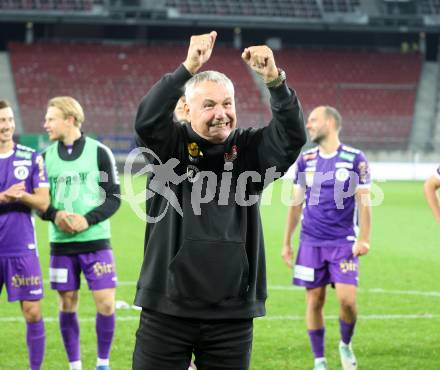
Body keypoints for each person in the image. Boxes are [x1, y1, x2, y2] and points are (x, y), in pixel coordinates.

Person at [132, 30, 306, 370]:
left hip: (231, 316)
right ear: (185, 108)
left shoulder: (250, 152)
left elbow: (291, 138)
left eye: (228, 104)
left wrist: (274, 80)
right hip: (167, 309)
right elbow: (148, 120)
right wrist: (187, 68)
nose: (221, 113)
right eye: (209, 105)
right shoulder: (170, 148)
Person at [281, 106, 372, 370]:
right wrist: (287, 241)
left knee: (347, 302)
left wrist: (364, 238)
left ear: (330, 123)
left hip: (343, 243)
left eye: (313, 120)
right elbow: (295, 204)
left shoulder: (356, 158)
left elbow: (365, 203)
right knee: (314, 300)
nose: (308, 125)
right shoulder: (305, 160)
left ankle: (345, 343)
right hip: (310, 243)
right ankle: (319, 360)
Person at [40, 96, 121, 370]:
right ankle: (75, 365)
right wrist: (54, 215)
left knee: (107, 304)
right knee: (67, 303)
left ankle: (102, 363)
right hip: (61, 245)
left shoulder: (100, 152)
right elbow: (40, 203)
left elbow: (114, 197)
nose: (46, 124)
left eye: (51, 119)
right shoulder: (44, 159)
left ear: (70, 119)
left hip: (96, 242)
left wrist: (87, 220)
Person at [0, 99, 49, 370]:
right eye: (1, 121)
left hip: (22, 247)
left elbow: (43, 202)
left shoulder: (31, 157)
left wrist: (22, 196)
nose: (5, 126)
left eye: (8, 120)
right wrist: (4, 196)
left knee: (32, 312)